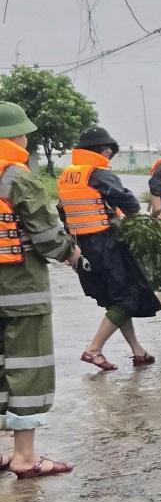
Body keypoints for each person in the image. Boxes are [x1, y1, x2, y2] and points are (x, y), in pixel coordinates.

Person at [0, 102, 80, 479]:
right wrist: (71, 251)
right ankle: (25, 457)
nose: (27, 138)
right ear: (14, 136)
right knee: (27, 369)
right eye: (23, 132)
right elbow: (48, 238)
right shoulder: (18, 177)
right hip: (21, 293)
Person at [58, 126, 161, 371]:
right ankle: (94, 350)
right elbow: (128, 201)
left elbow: (64, 212)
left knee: (113, 299)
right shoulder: (98, 173)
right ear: (99, 150)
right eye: (107, 150)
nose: (109, 154)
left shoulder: (68, 175)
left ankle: (138, 351)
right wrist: (138, 218)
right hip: (105, 243)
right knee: (126, 297)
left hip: (82, 246)